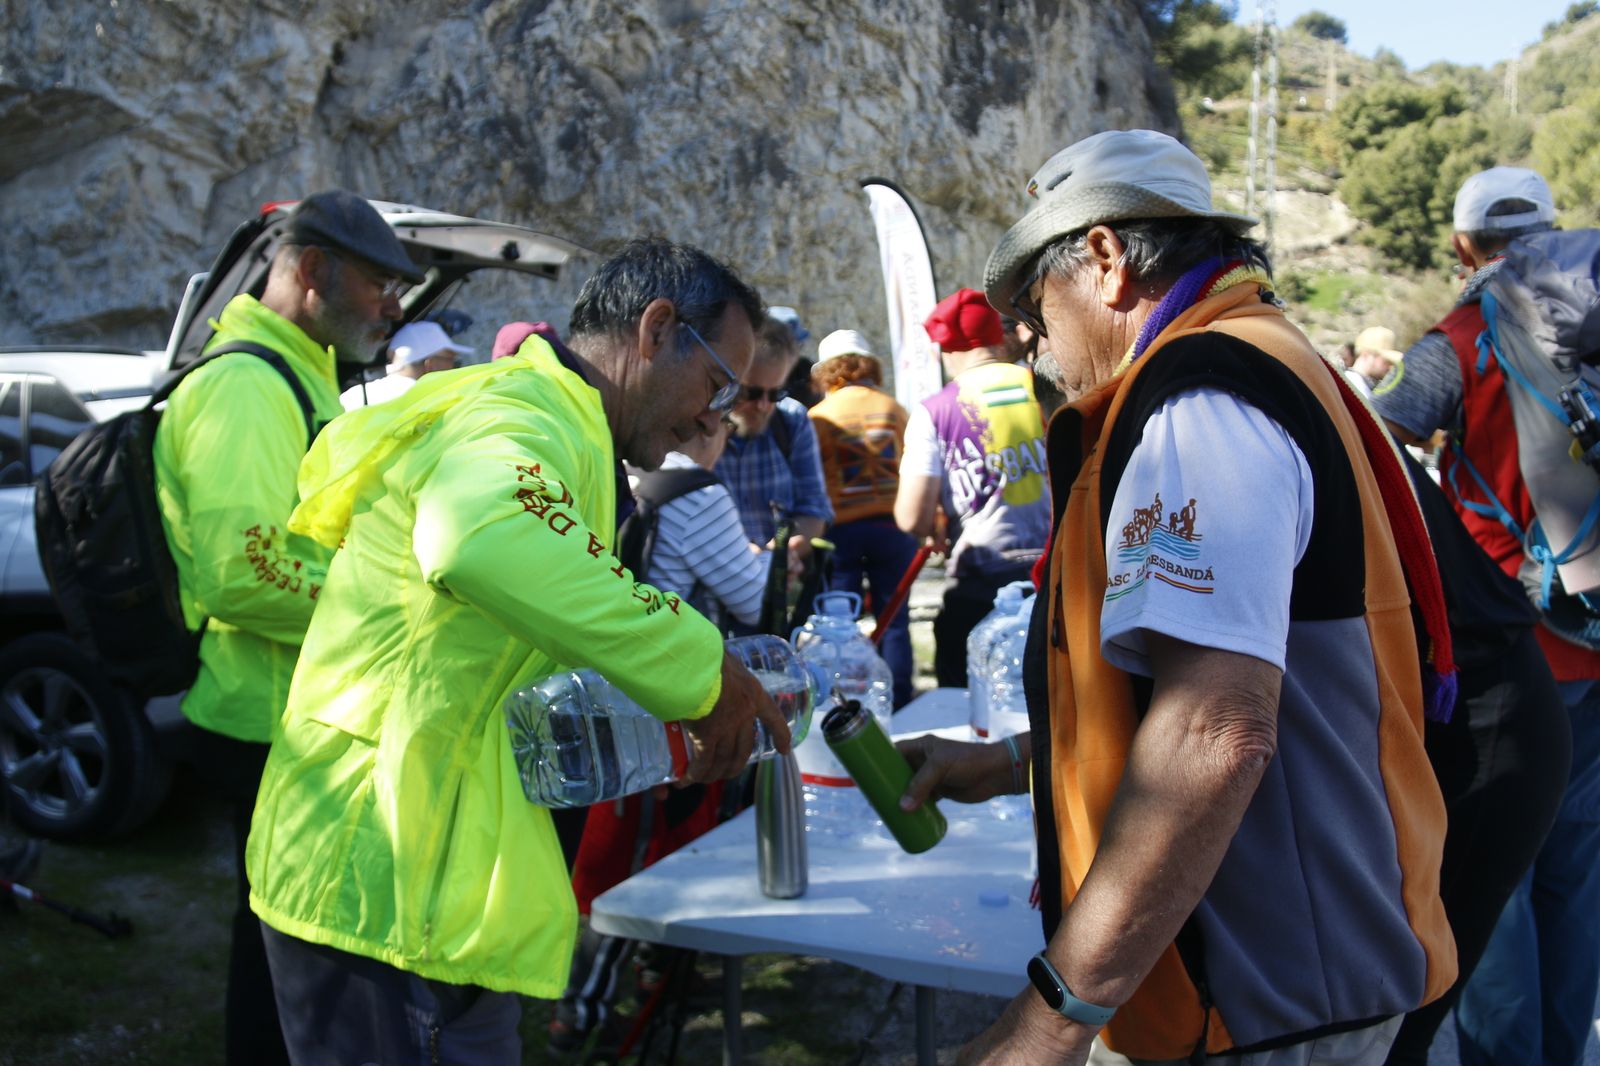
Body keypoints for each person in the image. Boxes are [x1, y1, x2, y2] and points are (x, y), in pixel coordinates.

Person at [899, 129, 1456, 1065]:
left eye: (1033, 302)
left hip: (1258, 993)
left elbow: (1213, 733)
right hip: (1292, 971)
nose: (1027, 339)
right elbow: (1206, 696)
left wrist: (1050, 1018)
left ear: (1106, 258)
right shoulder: (1262, 356)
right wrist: (1013, 764)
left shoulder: (1199, 403)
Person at [244, 237, 791, 1062]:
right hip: (388, 887)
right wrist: (702, 669)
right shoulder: (519, 414)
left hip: (426, 880)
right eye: (717, 385)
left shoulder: (563, 427)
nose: (716, 420)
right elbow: (480, 534)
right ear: (655, 328)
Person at [152, 188, 422, 1065]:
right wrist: (395, 607)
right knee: (287, 962)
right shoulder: (243, 387)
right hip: (265, 721)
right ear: (312, 271)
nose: (396, 308)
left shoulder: (297, 377)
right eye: (383, 284)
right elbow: (244, 570)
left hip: (296, 716)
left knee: (293, 951)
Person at [1372, 165, 1600, 1066]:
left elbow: (1376, 440)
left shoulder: (1464, 335)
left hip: (1510, 655)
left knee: (1493, 884)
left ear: (1463, 247)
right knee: (1577, 879)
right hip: (1598, 641)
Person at [551, 414, 771, 1055]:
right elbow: (752, 598)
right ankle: (588, 1006)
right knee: (644, 853)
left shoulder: (617, 471)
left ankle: (618, 990)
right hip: (671, 699)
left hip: (607, 690)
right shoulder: (697, 490)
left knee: (627, 851)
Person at [894, 287, 1049, 688]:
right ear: (999, 335)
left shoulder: (935, 411)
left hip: (983, 584)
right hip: (1059, 574)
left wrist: (935, 521)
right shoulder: (1048, 386)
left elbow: (912, 516)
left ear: (944, 350)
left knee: (968, 706)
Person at [807, 330, 919, 706]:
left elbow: (814, 478)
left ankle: (845, 700)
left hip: (841, 529)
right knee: (895, 618)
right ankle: (900, 698)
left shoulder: (818, 416)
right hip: (894, 525)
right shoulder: (892, 408)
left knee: (839, 625)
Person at [713, 312, 833, 622]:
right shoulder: (701, 428)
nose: (764, 406)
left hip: (774, 598)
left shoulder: (791, 420)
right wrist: (743, 559)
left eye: (774, 393)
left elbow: (814, 511)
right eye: (751, 393)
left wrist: (775, 556)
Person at [339, 319, 473, 408]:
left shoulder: (354, 396)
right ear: (430, 365)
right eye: (453, 363)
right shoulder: (436, 404)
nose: (454, 370)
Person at [1345, 325, 1404, 398]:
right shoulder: (1353, 387)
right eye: (1386, 361)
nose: (1390, 366)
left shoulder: (1355, 384)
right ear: (1365, 355)